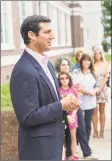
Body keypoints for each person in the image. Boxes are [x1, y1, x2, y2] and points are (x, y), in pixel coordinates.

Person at [10, 15, 80, 160]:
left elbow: (47, 100)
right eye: (47, 32)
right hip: (39, 151)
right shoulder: (23, 70)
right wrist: (61, 105)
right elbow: (28, 116)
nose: (52, 36)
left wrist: (65, 102)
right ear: (31, 35)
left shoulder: (47, 64)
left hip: (54, 144)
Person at [55, 57, 98, 160]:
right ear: (59, 67)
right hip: (63, 109)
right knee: (67, 134)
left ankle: (87, 152)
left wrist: (79, 87)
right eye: (63, 65)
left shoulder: (73, 75)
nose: (66, 67)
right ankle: (69, 154)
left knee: (81, 129)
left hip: (75, 107)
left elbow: (79, 88)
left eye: (67, 64)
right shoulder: (57, 78)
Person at [74, 54, 96, 143]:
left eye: (88, 60)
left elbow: (96, 86)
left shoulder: (93, 73)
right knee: (79, 124)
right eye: (84, 60)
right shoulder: (76, 72)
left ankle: (86, 144)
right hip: (79, 103)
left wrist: (94, 91)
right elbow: (77, 88)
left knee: (88, 124)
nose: (86, 62)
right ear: (81, 61)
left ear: (90, 62)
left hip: (90, 103)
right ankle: (78, 143)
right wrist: (89, 92)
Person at [58, 72, 79, 160]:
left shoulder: (73, 90)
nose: (64, 80)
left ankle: (73, 154)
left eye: (66, 78)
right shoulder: (58, 90)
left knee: (73, 136)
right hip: (62, 117)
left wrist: (73, 116)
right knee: (63, 137)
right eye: (62, 78)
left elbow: (77, 104)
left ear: (69, 79)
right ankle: (65, 155)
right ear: (59, 80)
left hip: (72, 116)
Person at [92, 48, 109, 138]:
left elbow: (106, 78)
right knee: (94, 111)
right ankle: (95, 131)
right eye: (96, 53)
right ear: (94, 55)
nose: (98, 54)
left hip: (102, 89)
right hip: (93, 90)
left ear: (102, 54)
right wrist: (94, 89)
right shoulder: (92, 65)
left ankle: (102, 131)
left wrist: (100, 89)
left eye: (99, 53)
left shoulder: (105, 64)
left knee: (102, 110)